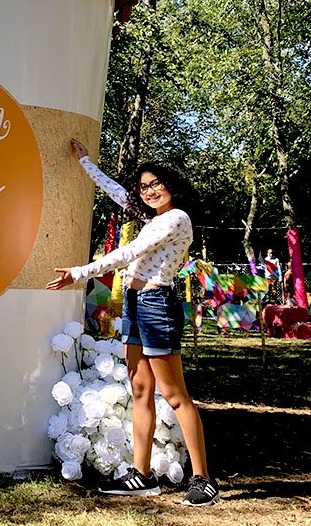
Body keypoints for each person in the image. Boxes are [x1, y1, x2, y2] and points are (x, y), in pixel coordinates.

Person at [46, 139, 219, 507]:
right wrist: (86, 162)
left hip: (156, 304)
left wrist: (80, 272)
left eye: (156, 183)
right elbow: (118, 192)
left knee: (173, 394)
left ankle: (203, 479)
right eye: (144, 186)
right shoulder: (152, 217)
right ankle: (141, 475)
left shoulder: (176, 219)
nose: (149, 191)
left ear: (171, 184)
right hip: (134, 301)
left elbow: (129, 252)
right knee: (140, 390)